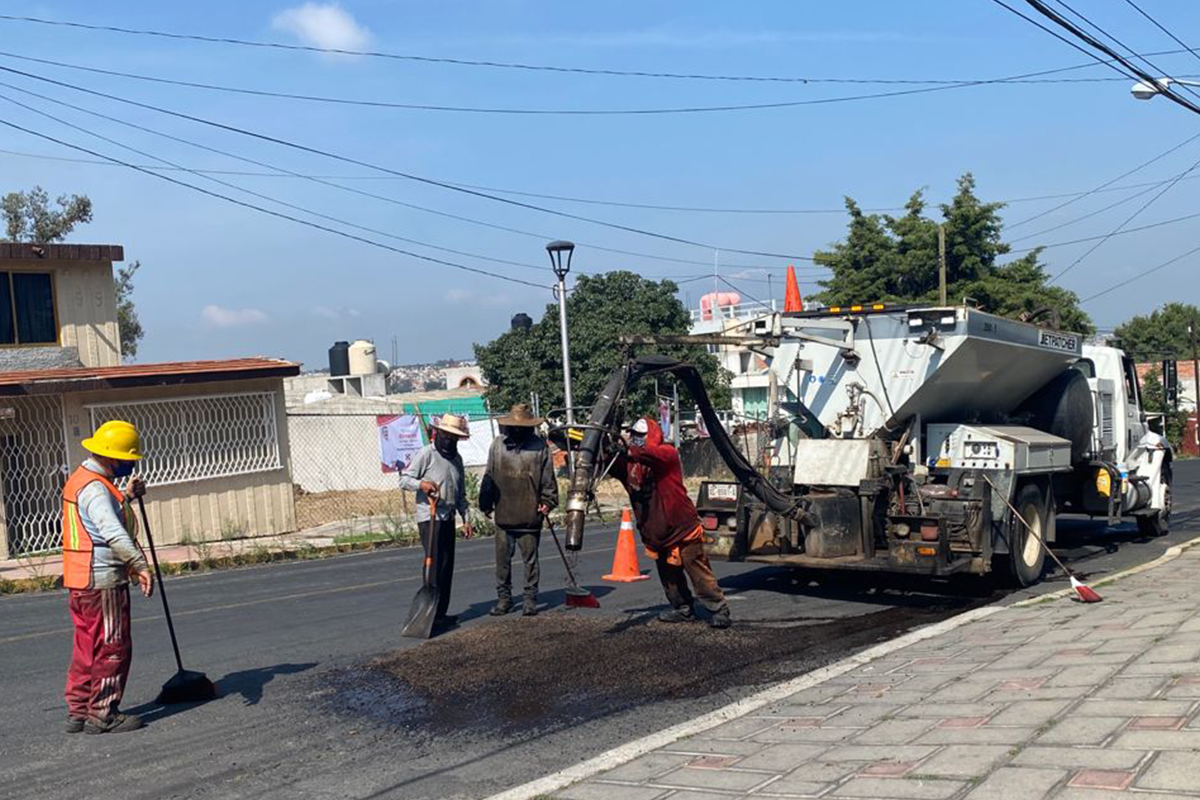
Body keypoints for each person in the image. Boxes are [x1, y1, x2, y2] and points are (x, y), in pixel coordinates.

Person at [61, 420, 155, 735]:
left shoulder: (83, 480)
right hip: (102, 580)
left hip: (80, 579)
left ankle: (79, 710)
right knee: (112, 645)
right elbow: (111, 530)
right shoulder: (96, 488)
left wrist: (126, 496)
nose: (130, 464)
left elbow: (97, 517)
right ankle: (103, 713)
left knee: (86, 646)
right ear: (112, 457)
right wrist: (140, 565)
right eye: (128, 459)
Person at [612, 417, 731, 629]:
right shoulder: (630, 465)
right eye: (634, 436)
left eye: (641, 436)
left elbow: (647, 452)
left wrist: (628, 447)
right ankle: (683, 608)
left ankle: (718, 608)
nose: (636, 440)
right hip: (656, 532)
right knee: (669, 575)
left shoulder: (667, 454)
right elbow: (607, 460)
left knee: (697, 569)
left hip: (682, 527)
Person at [479, 404, 558, 617]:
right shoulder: (497, 446)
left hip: (529, 515)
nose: (516, 430)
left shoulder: (540, 447)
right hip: (504, 514)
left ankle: (530, 599)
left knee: (530, 560)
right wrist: (485, 502)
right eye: (513, 426)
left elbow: (549, 480)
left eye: (521, 427)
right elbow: (489, 476)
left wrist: (548, 501)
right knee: (502, 562)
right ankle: (504, 599)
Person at [399, 413, 473, 627]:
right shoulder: (427, 454)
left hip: (448, 516)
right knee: (434, 563)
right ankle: (429, 613)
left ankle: (441, 612)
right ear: (438, 433)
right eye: (446, 435)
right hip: (430, 517)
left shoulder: (456, 459)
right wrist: (422, 485)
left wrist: (466, 519)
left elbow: (461, 495)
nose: (449, 440)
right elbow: (405, 480)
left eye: (454, 437)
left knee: (447, 565)